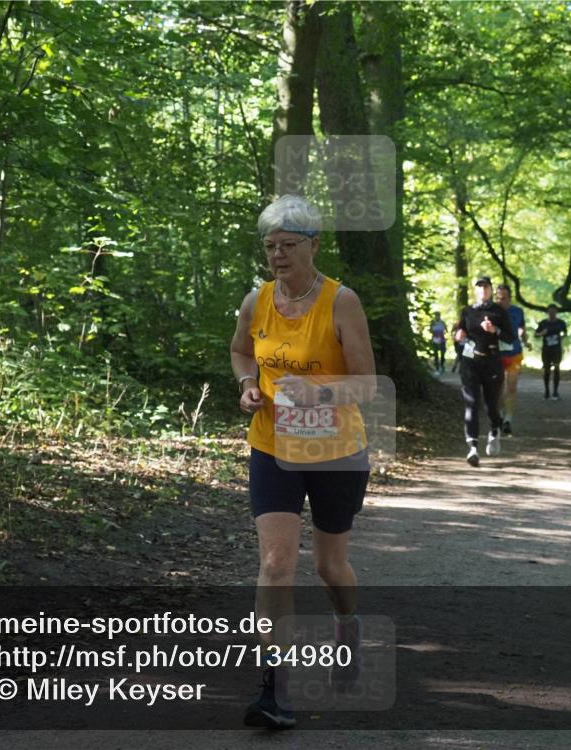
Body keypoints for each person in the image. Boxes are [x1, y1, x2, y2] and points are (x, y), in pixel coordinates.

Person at [229, 194, 375, 729]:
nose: (278, 255)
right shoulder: (256, 301)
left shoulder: (341, 302)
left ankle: (347, 624)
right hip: (273, 446)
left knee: (328, 565)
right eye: (270, 246)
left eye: (288, 245)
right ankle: (275, 687)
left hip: (335, 450)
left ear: (314, 245)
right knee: (276, 564)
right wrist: (249, 384)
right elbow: (242, 351)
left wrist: (315, 395)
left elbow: (365, 382)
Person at [454, 276, 514, 466]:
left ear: (490, 290)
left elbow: (511, 337)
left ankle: (494, 430)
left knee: (491, 406)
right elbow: (459, 332)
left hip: (491, 362)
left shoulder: (499, 312)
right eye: (479, 287)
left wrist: (494, 330)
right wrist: (458, 335)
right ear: (475, 290)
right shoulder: (467, 311)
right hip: (470, 362)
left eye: (485, 287)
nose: (482, 290)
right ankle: (472, 448)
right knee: (471, 404)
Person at [495, 284, 529, 436]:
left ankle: (508, 419)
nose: (500, 301)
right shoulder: (492, 311)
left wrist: (525, 339)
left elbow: (522, 328)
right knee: (499, 388)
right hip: (496, 355)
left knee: (512, 387)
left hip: (514, 353)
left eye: (503, 298)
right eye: (498, 297)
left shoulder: (517, 312)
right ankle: (500, 416)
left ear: (510, 298)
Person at [535, 304, 567, 400]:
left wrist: (561, 337)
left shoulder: (561, 323)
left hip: (556, 349)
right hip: (546, 349)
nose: (552, 313)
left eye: (554, 311)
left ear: (556, 312)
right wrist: (542, 333)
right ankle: (547, 391)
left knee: (557, 368)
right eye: (550, 311)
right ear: (547, 312)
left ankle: (555, 392)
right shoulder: (543, 323)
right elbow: (536, 334)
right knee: (547, 370)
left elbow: (565, 332)